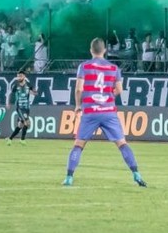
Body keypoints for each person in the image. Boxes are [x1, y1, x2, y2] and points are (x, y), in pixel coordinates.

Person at [63, 38, 147, 188]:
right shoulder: (114, 68)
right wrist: (107, 98)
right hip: (108, 111)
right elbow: (119, 90)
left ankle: (69, 177)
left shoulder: (84, 66)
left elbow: (78, 89)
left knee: (79, 145)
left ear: (91, 50)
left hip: (90, 110)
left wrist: (77, 105)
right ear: (105, 50)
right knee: (122, 143)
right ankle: (136, 174)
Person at [6, 68, 36, 145]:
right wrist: (8, 103)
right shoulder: (15, 85)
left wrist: (33, 92)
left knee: (20, 125)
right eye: (18, 76)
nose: (19, 78)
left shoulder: (29, 85)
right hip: (19, 107)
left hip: (26, 108)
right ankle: (22, 140)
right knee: (27, 123)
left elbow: (36, 93)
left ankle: (10, 139)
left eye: (20, 76)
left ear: (24, 76)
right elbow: (10, 94)